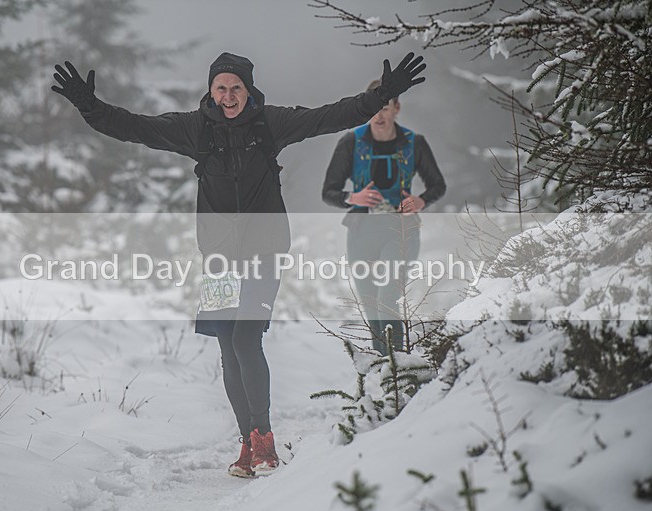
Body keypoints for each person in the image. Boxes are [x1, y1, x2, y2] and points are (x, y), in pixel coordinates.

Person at [51, 52, 426, 477]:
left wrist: (380, 94)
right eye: (221, 88)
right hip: (218, 260)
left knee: (246, 339)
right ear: (210, 91)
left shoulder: (270, 124)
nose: (228, 96)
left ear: (249, 91)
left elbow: (330, 116)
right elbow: (133, 127)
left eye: (236, 88)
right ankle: (247, 442)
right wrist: (90, 106)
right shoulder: (194, 129)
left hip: (264, 251)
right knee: (228, 345)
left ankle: (263, 438)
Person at [322, 79, 446, 355]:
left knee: (387, 297)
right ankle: (384, 371)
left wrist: (421, 200)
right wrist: (352, 198)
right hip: (361, 230)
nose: (379, 115)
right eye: (374, 109)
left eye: (385, 107)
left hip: (402, 230)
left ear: (397, 108)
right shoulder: (350, 143)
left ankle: (398, 370)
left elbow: (437, 185)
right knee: (369, 303)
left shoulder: (415, 143)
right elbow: (329, 192)